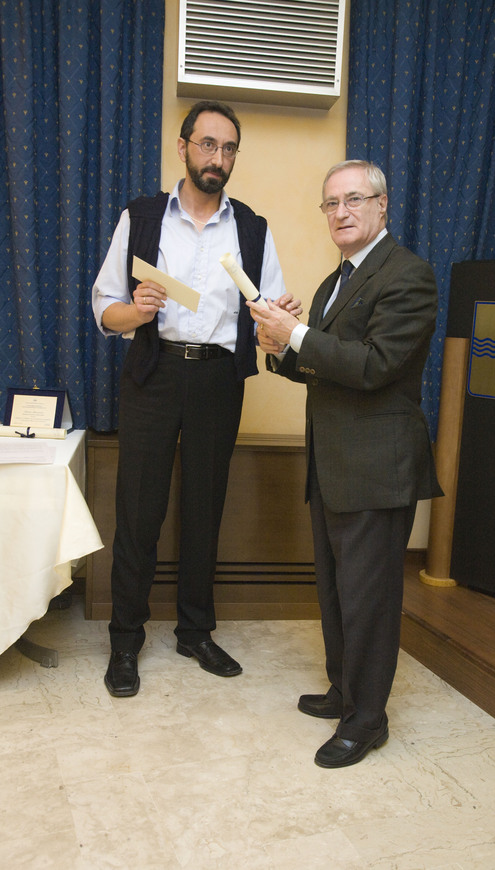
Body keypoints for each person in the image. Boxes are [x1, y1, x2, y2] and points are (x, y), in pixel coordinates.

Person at [93, 100, 300, 697]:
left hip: (217, 380)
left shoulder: (253, 228)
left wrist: (281, 322)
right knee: (139, 509)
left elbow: (270, 316)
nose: (218, 157)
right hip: (154, 373)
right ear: (183, 147)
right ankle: (125, 640)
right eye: (208, 144)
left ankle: (195, 632)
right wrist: (138, 310)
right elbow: (105, 308)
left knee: (206, 508)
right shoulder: (142, 216)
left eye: (229, 148)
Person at [248, 159, 442, 768]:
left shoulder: (408, 274)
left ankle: (367, 719)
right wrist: (279, 346)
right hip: (333, 465)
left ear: (383, 205)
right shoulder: (337, 280)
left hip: (377, 467)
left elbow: (373, 365)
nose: (341, 212)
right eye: (331, 203)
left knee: (369, 601)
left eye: (354, 199)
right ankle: (345, 690)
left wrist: (297, 334)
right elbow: (324, 367)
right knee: (336, 592)